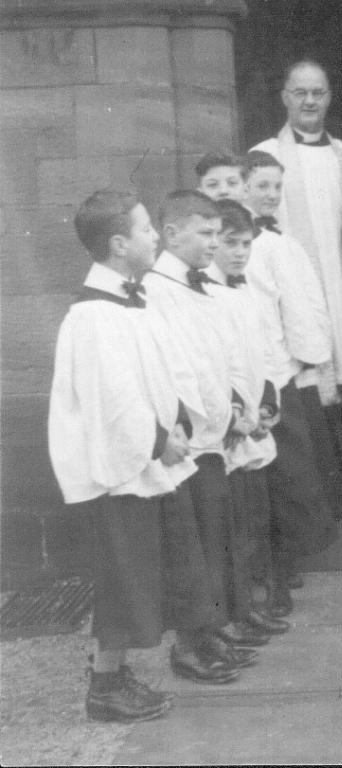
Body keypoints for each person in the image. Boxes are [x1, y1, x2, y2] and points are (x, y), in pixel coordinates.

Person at [49, 190, 197, 721]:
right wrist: (159, 439)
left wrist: (177, 416)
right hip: (119, 468)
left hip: (142, 461)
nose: (156, 236)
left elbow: (156, 371)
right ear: (118, 244)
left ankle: (112, 676)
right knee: (121, 576)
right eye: (145, 230)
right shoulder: (93, 316)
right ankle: (104, 689)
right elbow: (113, 399)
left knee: (134, 573)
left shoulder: (131, 302)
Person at [251, 58, 342, 518]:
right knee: (311, 390)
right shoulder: (265, 156)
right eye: (300, 92)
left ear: (329, 97)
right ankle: (328, 500)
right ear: (284, 96)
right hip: (297, 293)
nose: (309, 101)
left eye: (318, 93)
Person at [142, 190, 260, 681]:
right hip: (186, 440)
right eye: (206, 233)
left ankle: (210, 630)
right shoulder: (156, 290)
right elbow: (169, 365)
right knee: (189, 545)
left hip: (213, 435)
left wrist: (233, 402)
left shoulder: (199, 287)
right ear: (171, 234)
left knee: (214, 536)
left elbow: (215, 352)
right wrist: (189, 422)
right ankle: (189, 644)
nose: (215, 243)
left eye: (219, 234)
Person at [242, 150, 339, 611]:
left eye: (276, 187)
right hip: (264, 372)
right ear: (243, 187)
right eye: (261, 185)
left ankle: (286, 559)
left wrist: (310, 357)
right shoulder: (247, 245)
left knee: (293, 470)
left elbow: (300, 302)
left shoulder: (278, 240)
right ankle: (270, 569)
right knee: (273, 472)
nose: (270, 195)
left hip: (287, 367)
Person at [203, 199, 290, 642]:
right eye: (230, 244)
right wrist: (241, 414)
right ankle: (233, 614)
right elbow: (221, 364)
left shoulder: (245, 291)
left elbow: (263, 354)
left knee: (254, 523)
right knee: (232, 530)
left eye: (246, 245)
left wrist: (269, 402)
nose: (239, 253)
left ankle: (255, 604)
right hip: (231, 430)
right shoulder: (207, 295)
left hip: (256, 423)